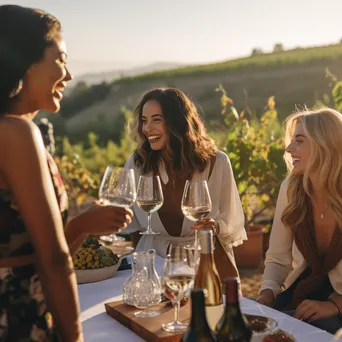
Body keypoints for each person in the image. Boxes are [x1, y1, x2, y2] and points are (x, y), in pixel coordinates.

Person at [0, 5, 132, 341]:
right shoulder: (17, 134)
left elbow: (25, 251)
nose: (69, 75)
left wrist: (82, 225)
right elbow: (53, 260)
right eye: (60, 59)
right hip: (17, 318)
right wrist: (74, 337)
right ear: (22, 61)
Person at [123, 87, 247, 280]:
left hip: (203, 262)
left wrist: (215, 227)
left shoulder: (217, 163)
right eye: (144, 121)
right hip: (152, 265)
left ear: (177, 122)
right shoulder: (137, 163)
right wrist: (142, 271)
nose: (147, 129)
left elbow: (232, 222)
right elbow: (133, 228)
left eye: (157, 120)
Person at [257, 108, 342, 334]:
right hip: (303, 291)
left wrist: (335, 305)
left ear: (325, 145)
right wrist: (266, 296)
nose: (288, 148)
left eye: (299, 141)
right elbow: (278, 258)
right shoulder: (292, 188)